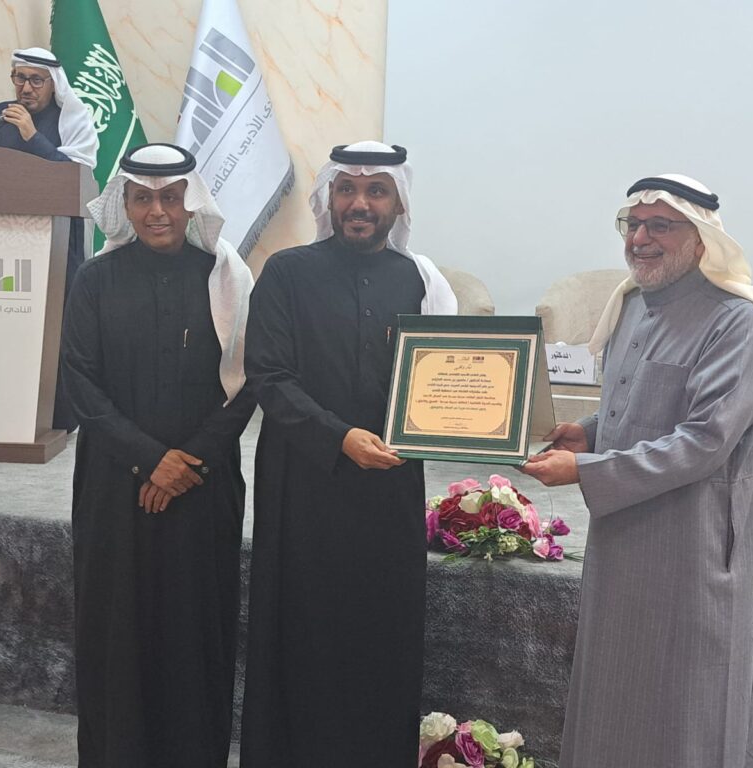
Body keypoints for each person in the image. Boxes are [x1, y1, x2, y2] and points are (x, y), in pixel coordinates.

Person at [521, 174, 753, 767]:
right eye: (633, 224)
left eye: (660, 226)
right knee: (615, 684)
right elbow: (638, 402)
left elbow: (705, 440)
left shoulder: (735, 321)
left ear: (701, 239)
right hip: (624, 534)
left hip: (690, 546)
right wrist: (590, 432)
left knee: (689, 695)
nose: (640, 239)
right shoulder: (633, 306)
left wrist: (585, 469)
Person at [240, 141, 458, 767]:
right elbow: (269, 376)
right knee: (302, 626)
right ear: (329, 198)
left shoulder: (420, 279)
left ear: (398, 203)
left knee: (381, 627)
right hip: (304, 482)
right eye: (347, 190)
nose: (360, 203)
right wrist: (338, 436)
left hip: (389, 484)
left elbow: (446, 380)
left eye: (376, 191)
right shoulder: (286, 272)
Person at [60, 143, 255, 767]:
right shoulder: (94, 280)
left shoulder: (225, 279)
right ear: (123, 204)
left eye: (170, 197)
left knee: (195, 629)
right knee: (116, 630)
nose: (157, 212)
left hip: (203, 485)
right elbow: (80, 381)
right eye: (142, 198)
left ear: (191, 203)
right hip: (114, 485)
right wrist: (151, 459)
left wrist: (186, 462)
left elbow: (248, 382)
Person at [0, 47, 99, 431]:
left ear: (53, 83)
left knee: (54, 330)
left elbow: (75, 177)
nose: (26, 88)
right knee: (5, 330)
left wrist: (32, 136)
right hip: (2, 241)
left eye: (36, 80)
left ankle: (58, 416)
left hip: (57, 242)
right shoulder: (0, 113)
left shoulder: (73, 117)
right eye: (20, 78)